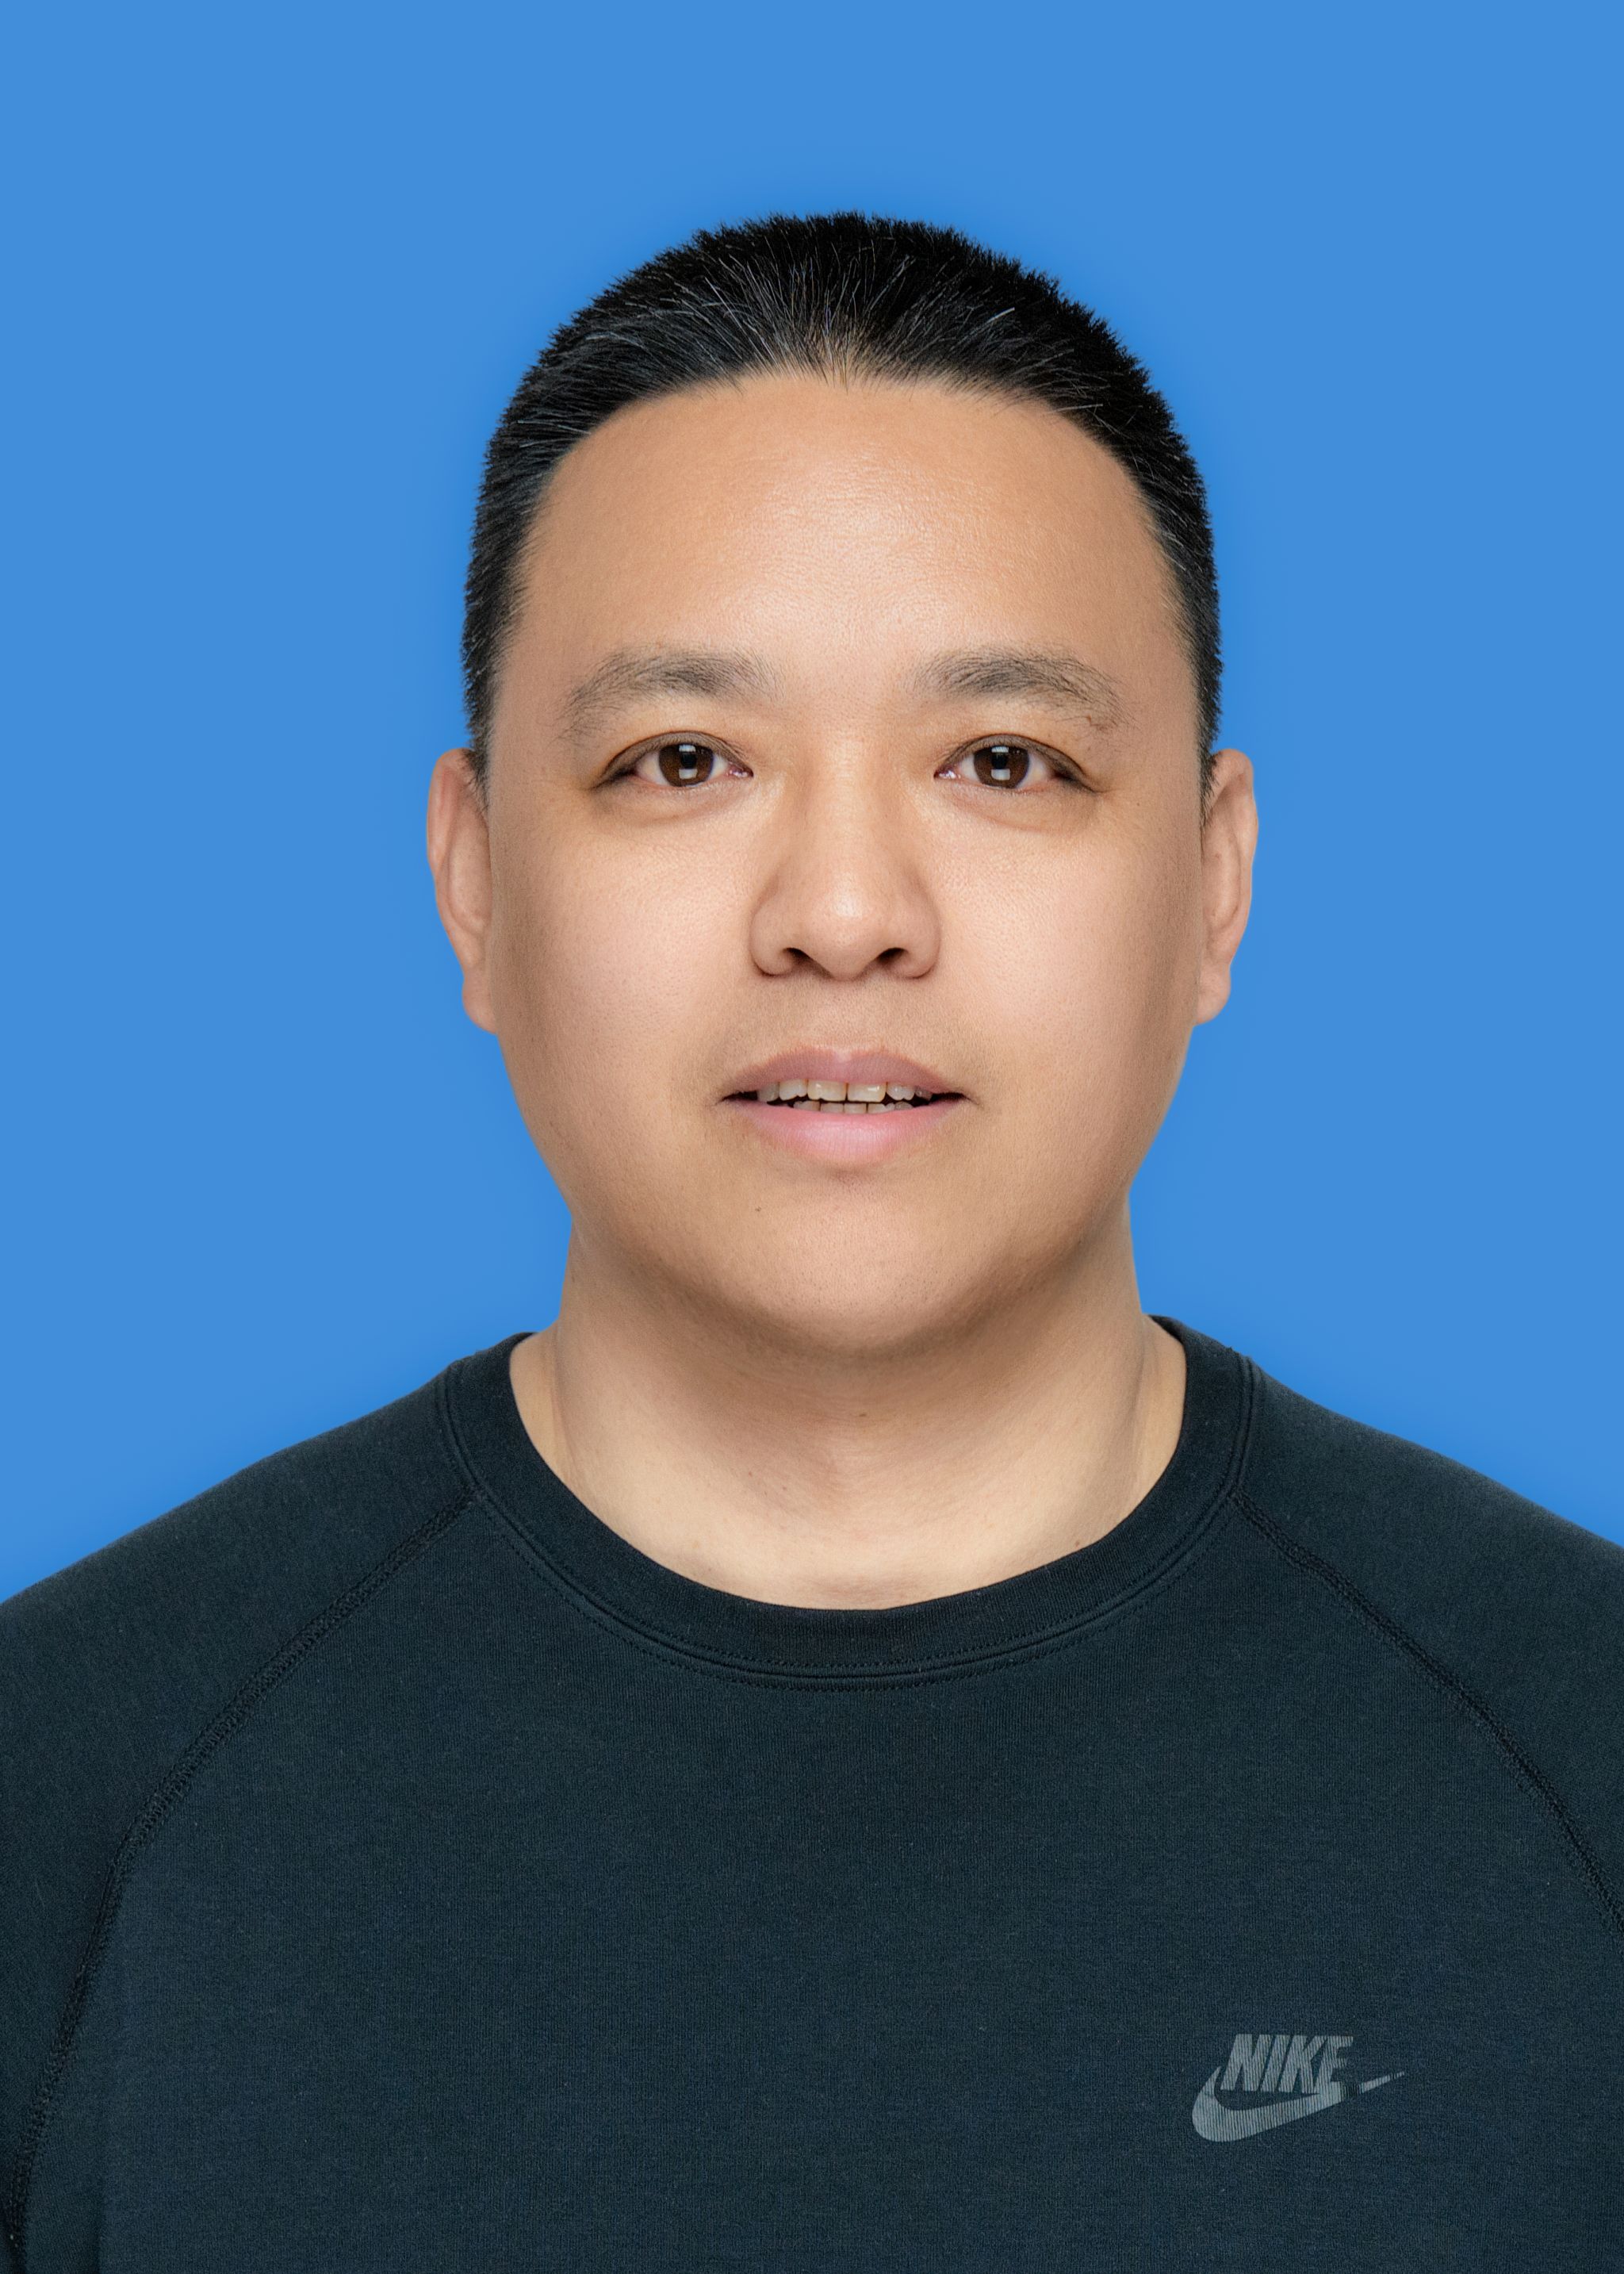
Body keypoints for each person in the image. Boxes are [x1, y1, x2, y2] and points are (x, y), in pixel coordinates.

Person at [2, 213, 1620, 2274]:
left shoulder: (1580, 1758)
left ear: (1214, 886)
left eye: (1005, 761)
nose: (846, 910)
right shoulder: (66, 1798)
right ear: (476, 879)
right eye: (683, 760)